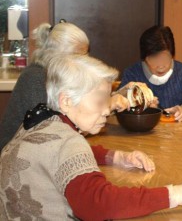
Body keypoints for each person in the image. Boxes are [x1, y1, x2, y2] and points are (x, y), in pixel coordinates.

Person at [0, 54, 182, 220]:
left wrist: (116, 157)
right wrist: (176, 193)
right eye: (100, 101)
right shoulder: (68, 142)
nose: (106, 110)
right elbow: (100, 203)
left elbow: (59, 154)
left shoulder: (42, 118)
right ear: (66, 101)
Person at [0, 21, 129, 152]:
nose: (85, 60)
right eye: (79, 56)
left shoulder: (60, 74)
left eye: (86, 54)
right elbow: (53, 134)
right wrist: (107, 105)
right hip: (14, 156)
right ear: (57, 55)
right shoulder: (35, 78)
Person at [120, 25, 182, 122]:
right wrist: (143, 108)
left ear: (172, 55)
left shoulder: (181, 72)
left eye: (165, 58)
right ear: (144, 58)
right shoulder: (133, 74)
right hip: (142, 133)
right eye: (154, 59)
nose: (161, 65)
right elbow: (118, 107)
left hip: (177, 132)